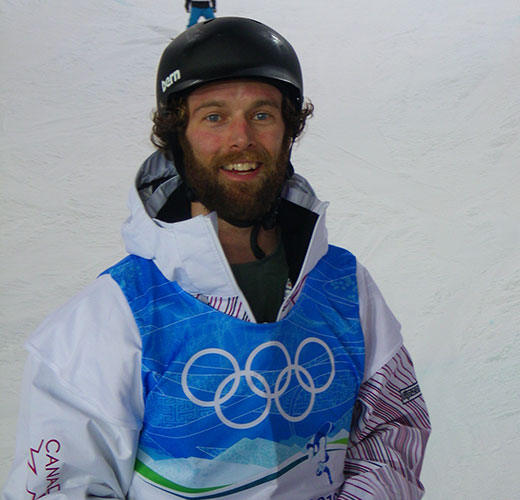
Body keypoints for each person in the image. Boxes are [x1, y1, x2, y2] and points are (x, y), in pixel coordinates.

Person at [2, 17, 430, 500]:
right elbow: (59, 486)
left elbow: (392, 428)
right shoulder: (112, 315)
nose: (241, 138)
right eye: (213, 116)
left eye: (262, 114)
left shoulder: (344, 284)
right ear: (176, 136)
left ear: (289, 130)